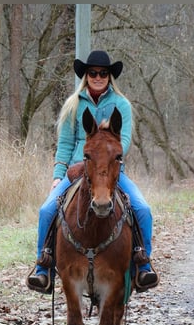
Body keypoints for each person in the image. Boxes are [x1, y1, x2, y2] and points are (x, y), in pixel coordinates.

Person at [26, 49, 158, 294]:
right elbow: (65, 144)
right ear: (86, 75)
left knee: (142, 209)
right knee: (46, 210)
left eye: (103, 73)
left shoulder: (122, 105)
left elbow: (124, 142)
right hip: (77, 170)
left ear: (110, 77)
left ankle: (143, 263)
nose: (98, 77)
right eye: (93, 73)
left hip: (110, 170)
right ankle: (43, 267)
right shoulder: (73, 104)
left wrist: (106, 152)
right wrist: (57, 175)